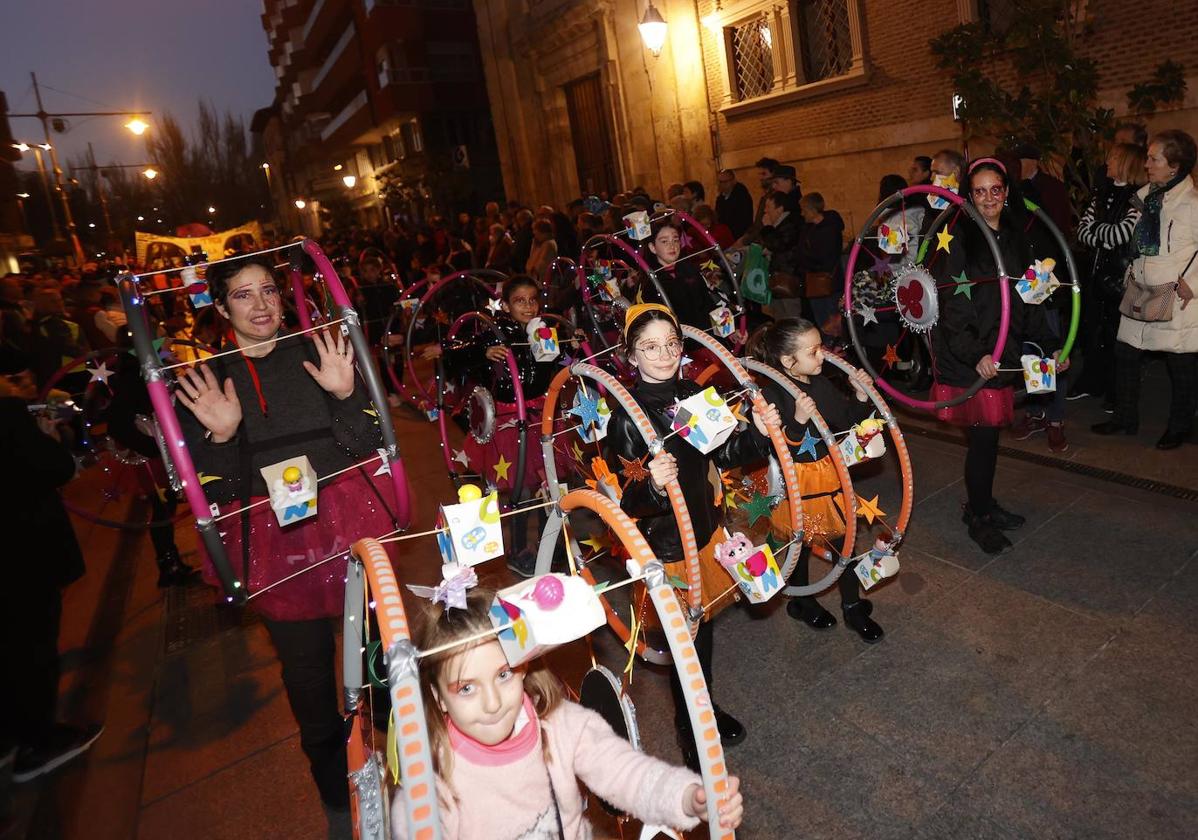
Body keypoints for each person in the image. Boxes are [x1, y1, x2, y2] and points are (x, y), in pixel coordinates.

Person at [176, 255, 398, 812]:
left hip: (344, 517)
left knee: (376, 641)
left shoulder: (317, 352)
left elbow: (364, 444)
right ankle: (332, 778)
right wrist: (223, 437)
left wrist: (347, 395)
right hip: (274, 537)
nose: (261, 305)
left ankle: (402, 746)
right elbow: (210, 490)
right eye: (244, 295)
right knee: (305, 666)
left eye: (269, 291)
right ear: (221, 307)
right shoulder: (204, 381)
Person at [393, 585, 744, 839]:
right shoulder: (433, 784)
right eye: (466, 688)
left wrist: (686, 797)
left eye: (503, 675)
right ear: (438, 697)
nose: (492, 703)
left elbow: (626, 773)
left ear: (525, 665)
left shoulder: (560, 725)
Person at [605, 304, 780, 767]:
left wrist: (759, 434)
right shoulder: (625, 416)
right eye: (650, 346)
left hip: (705, 530)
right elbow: (625, 504)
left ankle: (702, 708)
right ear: (630, 354)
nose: (662, 354)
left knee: (701, 636)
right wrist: (653, 485)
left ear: (682, 349)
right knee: (687, 641)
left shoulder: (694, 395)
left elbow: (724, 452)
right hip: (666, 547)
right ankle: (690, 726)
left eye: (670, 344)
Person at [930, 158, 1064, 554]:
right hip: (969, 354)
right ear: (968, 196)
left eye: (995, 190)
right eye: (979, 191)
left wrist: (1050, 344)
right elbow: (952, 305)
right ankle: (979, 515)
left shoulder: (1016, 238)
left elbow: (1032, 295)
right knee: (984, 439)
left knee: (986, 441)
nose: (988, 198)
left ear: (1006, 192)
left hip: (1001, 350)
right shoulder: (958, 240)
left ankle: (983, 505)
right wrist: (977, 354)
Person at [0, 347, 104, 783]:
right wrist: (45, 435)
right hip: (21, 555)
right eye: (17, 380)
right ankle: (38, 743)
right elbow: (55, 467)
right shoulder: (7, 416)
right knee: (33, 646)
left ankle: (11, 735)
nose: (25, 389)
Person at [749, 318, 885, 642]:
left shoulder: (820, 383)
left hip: (830, 477)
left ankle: (852, 606)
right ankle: (803, 601)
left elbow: (847, 422)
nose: (822, 356)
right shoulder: (769, 394)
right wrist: (797, 422)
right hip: (798, 485)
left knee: (845, 541)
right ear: (788, 361)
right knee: (801, 544)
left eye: (820, 348)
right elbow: (771, 445)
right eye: (814, 351)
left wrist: (860, 396)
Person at [423, 276, 561, 576]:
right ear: (507, 305)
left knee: (547, 487)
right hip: (509, 423)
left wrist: (568, 345)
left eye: (532, 299)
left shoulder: (544, 331)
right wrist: (481, 354)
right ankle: (518, 549)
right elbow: (462, 351)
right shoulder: (495, 332)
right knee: (521, 490)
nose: (528, 306)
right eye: (520, 301)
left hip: (540, 415)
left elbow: (556, 364)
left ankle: (550, 546)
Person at [1093, 130, 1198, 450]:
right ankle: (1125, 417)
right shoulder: (1144, 197)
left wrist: (1190, 284)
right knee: (1126, 353)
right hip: (1141, 286)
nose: (1147, 163)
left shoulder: (1192, 205)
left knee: (1180, 363)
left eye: (1155, 158)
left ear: (1175, 166)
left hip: (1176, 294)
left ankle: (1179, 427)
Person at [1071, 143, 1147, 410]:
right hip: (1096, 275)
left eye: (1114, 156)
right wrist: (1103, 236)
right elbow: (1082, 231)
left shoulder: (1138, 196)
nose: (1108, 160)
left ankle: (1117, 394)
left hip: (1121, 279)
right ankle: (1093, 383)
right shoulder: (1100, 194)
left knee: (1119, 337)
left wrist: (1098, 235)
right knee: (1093, 333)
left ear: (1126, 161)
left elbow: (1123, 233)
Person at [642, 218, 722, 332]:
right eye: (664, 241)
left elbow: (708, 304)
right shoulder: (651, 283)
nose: (672, 245)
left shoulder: (689, 269)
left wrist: (729, 331)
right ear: (652, 247)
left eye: (675, 240)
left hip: (708, 337)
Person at [798, 192, 847, 329]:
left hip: (829, 283)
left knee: (831, 324)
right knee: (822, 322)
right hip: (815, 283)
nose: (802, 214)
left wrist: (806, 259)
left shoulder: (830, 229)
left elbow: (825, 258)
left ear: (811, 210)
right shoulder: (809, 229)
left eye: (804, 210)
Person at [760, 190, 805, 304]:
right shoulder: (779, 226)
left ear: (779, 209)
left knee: (790, 315)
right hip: (778, 281)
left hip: (787, 281)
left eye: (768, 206)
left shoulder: (790, 225)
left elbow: (777, 245)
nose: (765, 211)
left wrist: (767, 228)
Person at [715, 168, 754, 240]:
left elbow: (743, 219)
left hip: (739, 236)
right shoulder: (721, 198)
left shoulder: (741, 196)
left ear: (733, 181)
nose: (722, 185)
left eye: (725, 182)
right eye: (720, 182)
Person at [524, 219, 558, 283]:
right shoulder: (540, 243)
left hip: (541, 280)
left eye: (535, 230)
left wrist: (533, 270)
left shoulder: (548, 244)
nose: (534, 233)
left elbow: (542, 265)